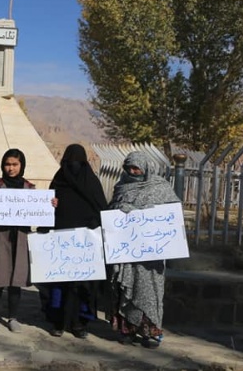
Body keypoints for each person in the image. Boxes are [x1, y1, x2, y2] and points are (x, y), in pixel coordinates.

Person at [108, 151, 180, 349]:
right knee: (126, 291)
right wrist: (119, 208)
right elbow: (111, 209)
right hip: (127, 253)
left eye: (136, 167)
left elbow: (172, 215)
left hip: (151, 255)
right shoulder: (121, 186)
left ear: (146, 168)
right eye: (129, 168)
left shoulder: (160, 187)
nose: (133, 171)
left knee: (150, 293)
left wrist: (146, 212)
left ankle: (150, 332)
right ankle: (128, 331)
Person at [41, 144, 107, 338]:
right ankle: (58, 322)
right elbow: (45, 209)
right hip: (61, 241)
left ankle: (79, 323)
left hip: (85, 243)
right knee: (59, 283)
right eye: (70, 162)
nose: (73, 166)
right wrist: (51, 204)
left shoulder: (91, 183)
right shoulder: (59, 181)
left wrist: (94, 228)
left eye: (77, 162)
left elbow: (100, 208)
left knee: (83, 285)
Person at [0, 148, 43, 333]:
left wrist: (48, 205)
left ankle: (13, 317)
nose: (11, 168)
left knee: (16, 281)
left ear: (22, 165)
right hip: (0, 238)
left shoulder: (30, 188)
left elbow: (38, 212)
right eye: (7, 164)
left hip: (21, 238)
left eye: (15, 164)